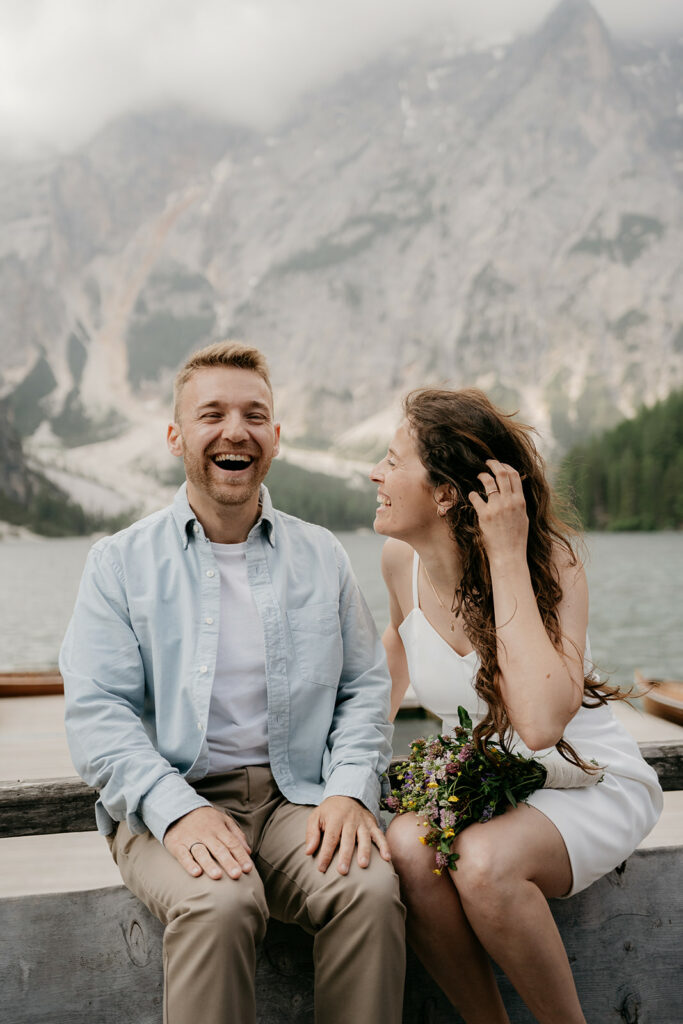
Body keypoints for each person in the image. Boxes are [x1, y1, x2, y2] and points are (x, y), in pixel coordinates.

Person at [60, 341, 405, 1024]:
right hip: (168, 804)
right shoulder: (118, 563)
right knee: (220, 903)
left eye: (255, 414)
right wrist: (176, 807)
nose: (234, 431)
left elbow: (364, 685)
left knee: (367, 888)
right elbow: (98, 713)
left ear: (274, 437)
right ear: (176, 437)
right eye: (211, 414)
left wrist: (347, 791)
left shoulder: (322, 554)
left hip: (295, 798)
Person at [370, 387, 662, 1024]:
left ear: (446, 494)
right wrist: (340, 780)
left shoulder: (550, 563)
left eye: (393, 462)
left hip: (583, 779)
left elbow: (537, 725)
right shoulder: (400, 562)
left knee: (482, 862)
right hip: (482, 785)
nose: (376, 474)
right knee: (408, 849)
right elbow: (386, 675)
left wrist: (504, 554)